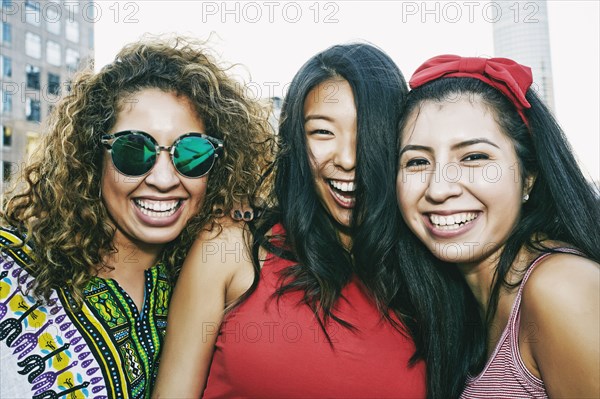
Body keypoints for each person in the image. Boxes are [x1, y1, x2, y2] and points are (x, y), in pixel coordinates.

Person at [154, 43, 471, 399]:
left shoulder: (432, 278)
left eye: (366, 132)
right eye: (322, 132)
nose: (348, 159)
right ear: (296, 141)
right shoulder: (230, 246)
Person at [0, 36, 273, 399]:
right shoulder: (8, 266)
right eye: (134, 150)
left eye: (192, 154)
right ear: (90, 155)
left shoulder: (208, 278)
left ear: (218, 169)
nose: (163, 179)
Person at [396, 55, 600, 398]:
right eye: (417, 161)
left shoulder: (561, 286)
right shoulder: (452, 309)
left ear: (529, 176)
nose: (439, 188)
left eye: (475, 157)